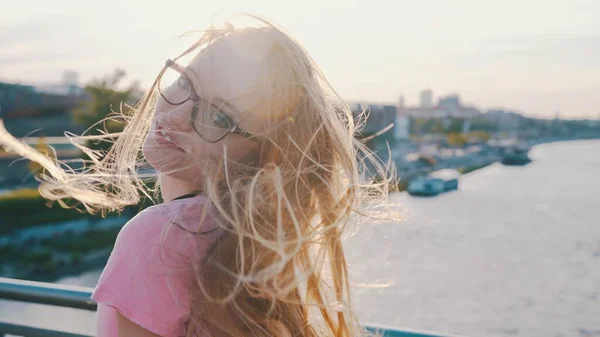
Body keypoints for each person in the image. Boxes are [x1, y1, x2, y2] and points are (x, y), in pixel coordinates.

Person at [0, 16, 394, 337]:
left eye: (219, 116)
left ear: (261, 156)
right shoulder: (252, 247)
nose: (175, 115)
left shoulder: (160, 237)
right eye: (185, 83)